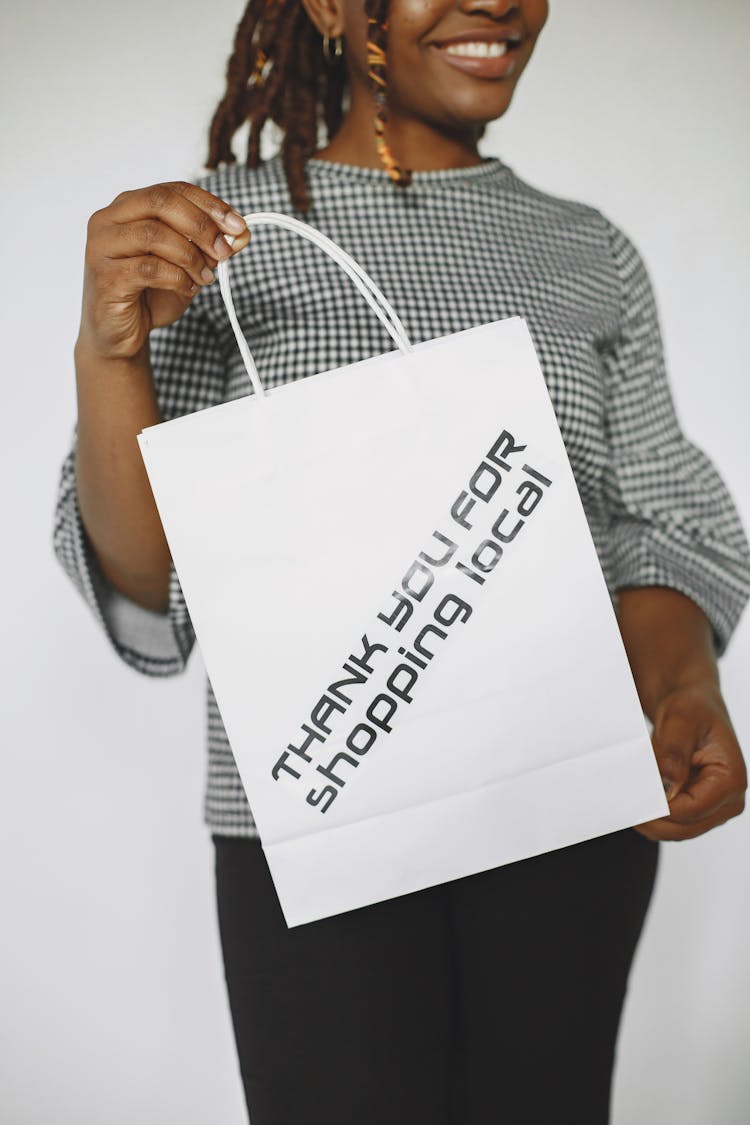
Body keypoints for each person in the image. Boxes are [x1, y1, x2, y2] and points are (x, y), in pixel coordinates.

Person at [52, 1, 750, 1121]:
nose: (496, 4)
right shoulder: (214, 240)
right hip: (315, 821)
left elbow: (653, 519)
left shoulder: (587, 248)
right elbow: (151, 582)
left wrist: (681, 687)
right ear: (331, 6)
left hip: (565, 809)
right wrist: (108, 348)